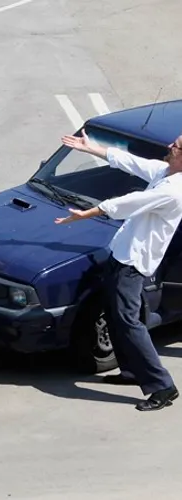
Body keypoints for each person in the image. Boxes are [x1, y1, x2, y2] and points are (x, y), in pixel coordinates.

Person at [55, 129, 182, 411]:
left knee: (128, 322)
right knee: (118, 315)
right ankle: (131, 371)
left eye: (176, 145)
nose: (170, 145)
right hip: (122, 254)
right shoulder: (165, 172)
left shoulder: (173, 190)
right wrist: (90, 148)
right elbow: (129, 161)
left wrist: (88, 213)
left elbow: (128, 203)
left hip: (133, 263)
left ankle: (163, 386)